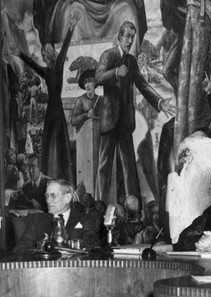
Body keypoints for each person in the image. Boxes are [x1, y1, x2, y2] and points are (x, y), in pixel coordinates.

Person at [94, 20, 175, 202]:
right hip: (109, 121)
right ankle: (99, 205)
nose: (130, 41)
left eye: (132, 37)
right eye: (127, 37)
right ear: (120, 37)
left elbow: (142, 84)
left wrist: (160, 102)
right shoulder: (108, 55)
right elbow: (98, 77)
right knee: (104, 166)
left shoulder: (131, 61)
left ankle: (134, 209)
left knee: (129, 166)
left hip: (125, 122)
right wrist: (115, 72)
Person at [16, 11, 80, 183]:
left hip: (57, 110)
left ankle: (62, 177)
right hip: (50, 112)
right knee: (48, 144)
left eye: (45, 55)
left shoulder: (58, 67)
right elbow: (32, 64)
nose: (43, 57)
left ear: (50, 54)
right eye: (43, 55)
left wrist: (71, 28)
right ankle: (49, 176)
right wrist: (19, 54)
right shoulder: (46, 71)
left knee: (58, 145)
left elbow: (65, 47)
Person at [13, 179, 100, 253]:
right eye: (46, 196)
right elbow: (21, 247)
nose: (48, 200)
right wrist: (40, 249)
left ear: (68, 198)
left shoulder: (86, 219)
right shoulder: (38, 220)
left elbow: (91, 245)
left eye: (53, 195)